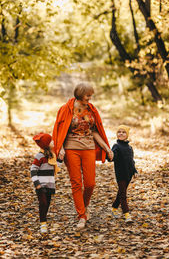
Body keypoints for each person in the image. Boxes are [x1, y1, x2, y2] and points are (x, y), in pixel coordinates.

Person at [52, 82, 113, 230]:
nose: (90, 97)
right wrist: (60, 148)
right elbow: (61, 129)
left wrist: (106, 147)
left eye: (91, 95)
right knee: (76, 183)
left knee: (90, 183)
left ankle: (83, 207)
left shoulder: (91, 110)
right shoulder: (66, 109)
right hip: (71, 148)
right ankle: (81, 216)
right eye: (88, 95)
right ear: (80, 94)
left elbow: (95, 130)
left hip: (89, 148)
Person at [30, 132, 59, 235]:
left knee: (47, 204)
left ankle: (44, 220)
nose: (53, 142)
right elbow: (33, 170)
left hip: (50, 184)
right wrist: (36, 184)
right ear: (46, 144)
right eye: (51, 141)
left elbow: (58, 163)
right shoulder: (39, 156)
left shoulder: (52, 155)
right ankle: (43, 223)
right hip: (41, 185)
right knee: (43, 203)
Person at [109, 125, 137, 222]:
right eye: (119, 132)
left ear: (127, 135)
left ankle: (114, 208)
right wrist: (110, 156)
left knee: (121, 192)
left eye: (123, 132)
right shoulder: (116, 146)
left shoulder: (130, 147)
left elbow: (131, 160)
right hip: (120, 173)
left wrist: (134, 170)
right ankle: (127, 214)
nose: (121, 133)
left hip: (129, 173)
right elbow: (113, 156)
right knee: (123, 195)